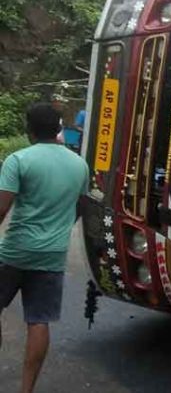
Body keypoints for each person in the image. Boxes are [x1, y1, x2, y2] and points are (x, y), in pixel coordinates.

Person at [0, 103, 89, 393]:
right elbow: (82, 205)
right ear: (59, 128)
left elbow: (2, 208)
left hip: (14, 252)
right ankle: (26, 390)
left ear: (29, 130)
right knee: (38, 321)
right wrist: (60, 227)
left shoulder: (18, 160)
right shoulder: (80, 165)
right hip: (52, 255)